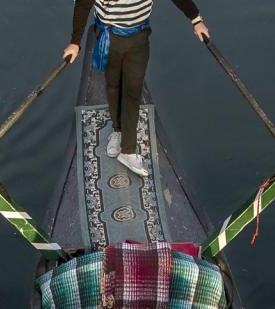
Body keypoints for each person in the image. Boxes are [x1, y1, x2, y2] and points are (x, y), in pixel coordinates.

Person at [62, 1, 211, 177]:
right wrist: (75, 42)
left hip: (138, 38)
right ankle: (118, 130)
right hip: (108, 37)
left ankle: (128, 151)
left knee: (132, 92)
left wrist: (196, 20)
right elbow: (83, 5)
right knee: (113, 86)